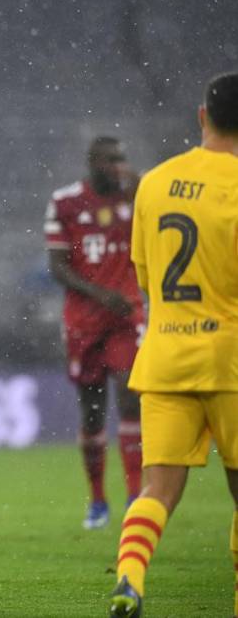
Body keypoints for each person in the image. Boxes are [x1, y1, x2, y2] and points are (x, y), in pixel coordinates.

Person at [108, 72, 238, 618]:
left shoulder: (155, 182)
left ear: (202, 116)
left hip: (163, 357)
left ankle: (131, 577)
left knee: (157, 488)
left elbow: (143, 274)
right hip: (230, 360)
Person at [45, 137, 144, 529]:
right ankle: (99, 500)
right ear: (92, 162)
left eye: (122, 158)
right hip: (84, 322)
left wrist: (142, 193)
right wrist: (101, 293)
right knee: (93, 410)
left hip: (125, 320)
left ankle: (136, 496)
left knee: (131, 397)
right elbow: (57, 266)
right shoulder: (66, 202)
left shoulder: (135, 198)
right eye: (111, 160)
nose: (118, 166)